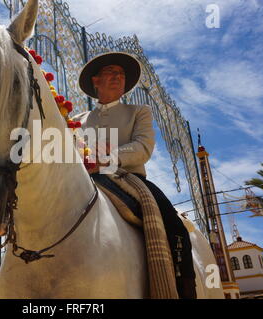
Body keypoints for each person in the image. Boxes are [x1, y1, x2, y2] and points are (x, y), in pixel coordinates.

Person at [73, 52, 197, 299]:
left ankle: (184, 288)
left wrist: (106, 158)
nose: (118, 76)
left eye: (121, 74)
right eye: (111, 71)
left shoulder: (139, 111)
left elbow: (143, 147)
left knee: (172, 223)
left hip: (128, 178)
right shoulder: (77, 121)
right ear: (96, 81)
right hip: (84, 182)